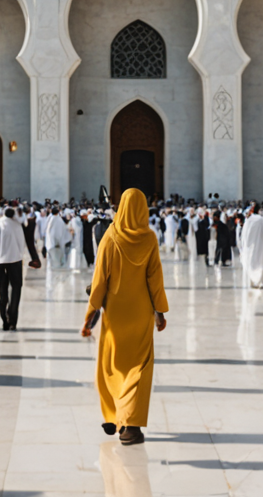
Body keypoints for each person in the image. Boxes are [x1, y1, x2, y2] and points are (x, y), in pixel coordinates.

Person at [82, 188, 168, 445]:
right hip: (141, 313)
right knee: (138, 369)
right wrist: (160, 312)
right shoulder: (149, 238)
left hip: (115, 312)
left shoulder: (110, 236)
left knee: (111, 365)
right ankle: (130, 427)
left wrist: (90, 315)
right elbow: (155, 279)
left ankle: (113, 415)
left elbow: (99, 279)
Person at [0, 207, 34, 331]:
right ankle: (12, 319)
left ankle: (4, 318)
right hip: (15, 261)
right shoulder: (17, 225)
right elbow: (22, 244)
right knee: (16, 289)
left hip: (2, 262)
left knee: (3, 290)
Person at [239, 210, 263, 288]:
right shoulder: (260, 221)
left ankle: (251, 282)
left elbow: (243, 238)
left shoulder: (248, 222)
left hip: (248, 249)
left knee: (249, 265)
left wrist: (242, 249)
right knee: (259, 264)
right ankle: (258, 281)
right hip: (259, 248)